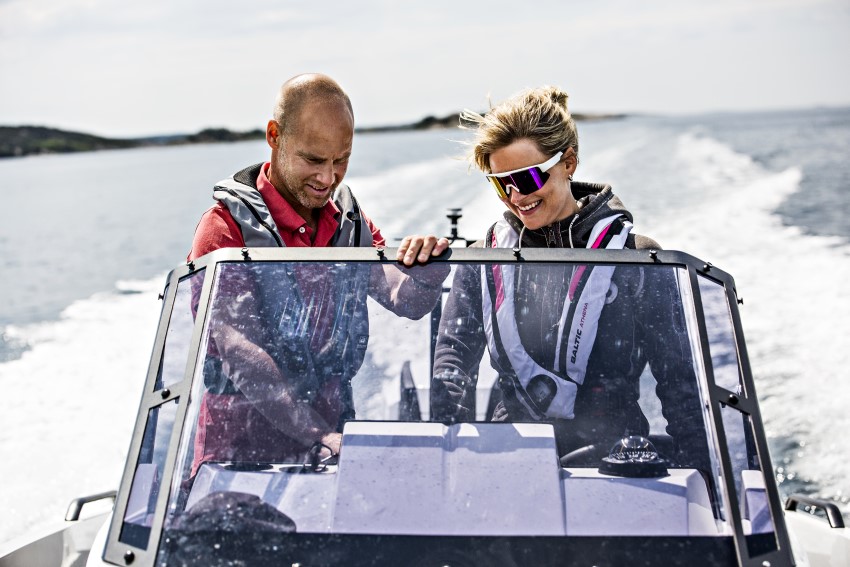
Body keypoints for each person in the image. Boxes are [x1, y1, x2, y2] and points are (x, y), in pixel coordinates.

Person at [431, 86, 708, 469]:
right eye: (500, 183)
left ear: (568, 163)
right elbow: (453, 362)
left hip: (618, 464)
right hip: (510, 461)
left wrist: (705, 477)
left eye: (527, 179)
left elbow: (680, 384)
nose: (515, 196)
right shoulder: (482, 260)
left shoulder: (638, 259)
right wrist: (444, 461)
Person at [187, 74, 449, 471]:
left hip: (333, 441)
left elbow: (404, 299)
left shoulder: (349, 222)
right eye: (313, 160)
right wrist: (317, 434)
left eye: (340, 160)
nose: (328, 178)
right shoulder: (223, 230)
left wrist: (429, 273)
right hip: (240, 454)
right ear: (275, 136)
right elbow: (238, 351)